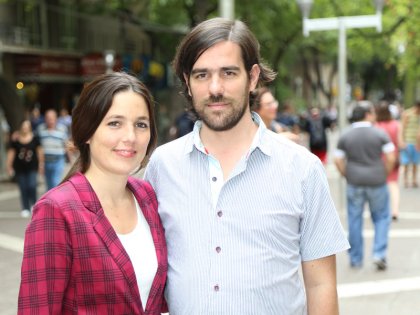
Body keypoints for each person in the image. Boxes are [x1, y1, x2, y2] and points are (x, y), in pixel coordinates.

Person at [145, 17, 349, 315]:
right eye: (202, 75)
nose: (215, 88)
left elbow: (320, 285)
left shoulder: (302, 168)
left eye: (228, 73)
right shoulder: (162, 168)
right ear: (187, 82)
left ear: (252, 77)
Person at [18, 72, 167, 314]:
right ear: (87, 131)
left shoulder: (146, 195)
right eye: (114, 123)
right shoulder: (57, 210)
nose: (130, 137)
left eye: (141, 124)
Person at [334, 104, 395, 271]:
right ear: (368, 115)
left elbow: (338, 160)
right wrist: (385, 173)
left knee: (354, 219)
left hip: (354, 181)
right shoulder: (380, 133)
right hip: (377, 181)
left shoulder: (345, 135)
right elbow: (391, 157)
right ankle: (379, 254)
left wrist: (347, 174)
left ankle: (355, 259)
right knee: (382, 217)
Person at [6, 119, 44, 218]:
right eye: (23, 126)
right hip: (19, 168)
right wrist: (9, 166)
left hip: (32, 167)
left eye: (27, 126)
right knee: (23, 188)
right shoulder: (15, 139)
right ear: (21, 128)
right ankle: (25, 208)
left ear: (29, 127)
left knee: (32, 186)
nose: (25, 128)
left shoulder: (35, 138)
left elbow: (40, 152)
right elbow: (11, 153)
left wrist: (41, 164)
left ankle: (34, 205)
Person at [375, 101, 402, 221]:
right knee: (393, 185)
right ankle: (395, 210)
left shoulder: (375, 126)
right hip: (393, 157)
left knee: (380, 185)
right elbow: (400, 143)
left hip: (379, 158)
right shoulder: (396, 124)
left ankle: (380, 209)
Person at [37, 108, 70, 190]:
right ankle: (51, 202)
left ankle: (55, 202)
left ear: (56, 118)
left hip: (58, 160)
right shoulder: (40, 129)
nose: (50, 120)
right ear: (45, 119)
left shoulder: (62, 128)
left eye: (52, 118)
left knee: (55, 183)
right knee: (48, 185)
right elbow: (36, 143)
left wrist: (69, 156)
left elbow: (66, 144)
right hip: (46, 161)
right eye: (48, 118)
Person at [400, 100, 420, 187]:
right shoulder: (407, 113)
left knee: (416, 162)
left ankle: (414, 180)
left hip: (417, 142)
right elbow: (402, 127)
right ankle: (405, 180)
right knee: (406, 162)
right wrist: (402, 141)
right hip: (408, 140)